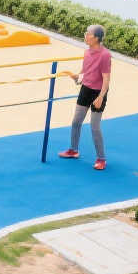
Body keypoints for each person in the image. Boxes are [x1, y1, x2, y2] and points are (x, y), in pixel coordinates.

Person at [59, 25, 112, 170]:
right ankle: (73, 150)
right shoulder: (87, 52)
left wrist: (100, 97)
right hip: (85, 90)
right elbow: (84, 73)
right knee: (76, 122)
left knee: (94, 127)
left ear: (96, 38)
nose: (85, 36)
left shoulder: (105, 55)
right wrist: (75, 77)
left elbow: (106, 79)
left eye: (88, 34)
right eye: (86, 33)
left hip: (98, 93)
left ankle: (101, 159)